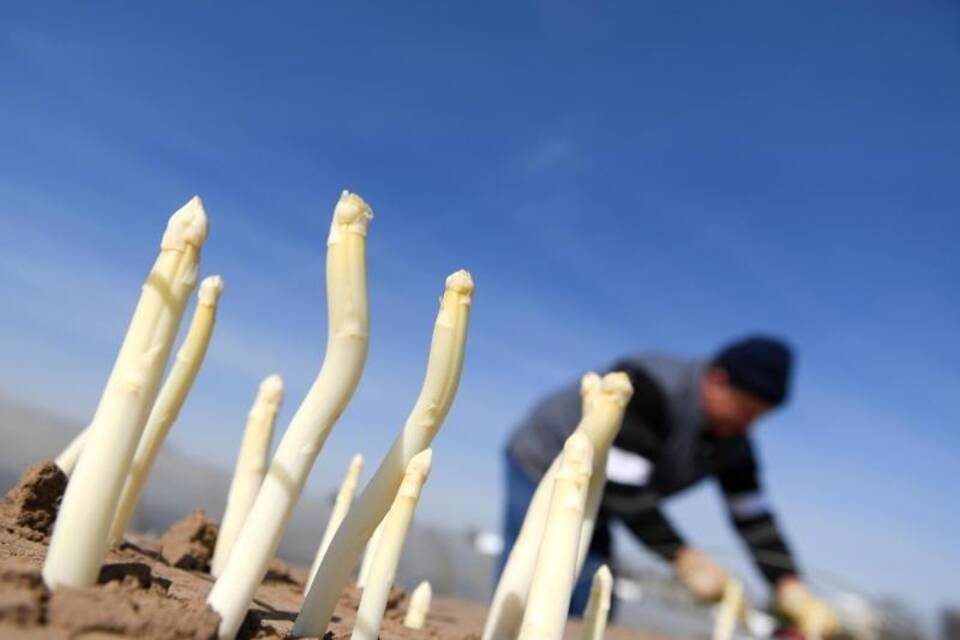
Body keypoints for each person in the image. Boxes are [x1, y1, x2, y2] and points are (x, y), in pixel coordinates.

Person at [501, 335, 837, 635]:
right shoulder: (648, 385)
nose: (747, 423)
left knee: (594, 589)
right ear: (718, 379)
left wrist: (789, 585)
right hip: (544, 465)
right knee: (541, 570)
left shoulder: (735, 443)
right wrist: (684, 558)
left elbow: (753, 516)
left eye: (759, 417)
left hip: (605, 494)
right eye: (745, 408)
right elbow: (624, 488)